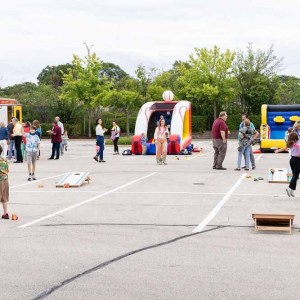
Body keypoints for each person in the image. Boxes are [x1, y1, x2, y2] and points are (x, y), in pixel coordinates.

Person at [285, 132, 300, 197]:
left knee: (295, 175)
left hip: (292, 160)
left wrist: (277, 150)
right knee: (296, 176)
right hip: (297, 160)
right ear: (296, 138)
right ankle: (290, 188)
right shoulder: (297, 144)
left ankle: (292, 190)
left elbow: (284, 148)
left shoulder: (290, 144)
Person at [0, 145, 9, 219]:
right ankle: (5, 213)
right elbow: (7, 170)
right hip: (5, 180)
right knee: (4, 197)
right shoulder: (4, 159)